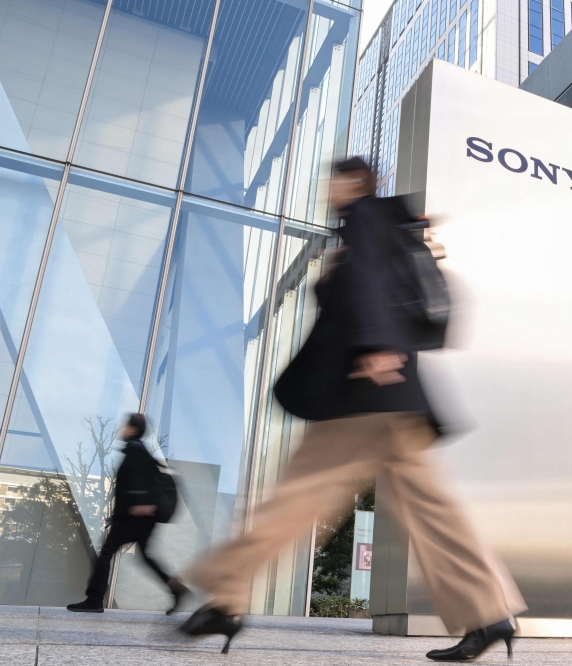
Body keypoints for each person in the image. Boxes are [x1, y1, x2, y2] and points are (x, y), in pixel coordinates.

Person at [179, 158, 525, 659]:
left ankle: (225, 596)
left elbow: (368, 283)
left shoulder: (364, 217)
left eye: (335, 180)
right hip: (394, 400)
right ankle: (490, 613)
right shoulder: (386, 224)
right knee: (433, 513)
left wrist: (372, 346)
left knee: (295, 499)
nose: (328, 188)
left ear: (353, 182)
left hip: (363, 395)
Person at [67, 413, 189, 614]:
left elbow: (140, 482)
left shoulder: (136, 450)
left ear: (133, 429)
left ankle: (95, 599)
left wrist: (141, 505)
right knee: (146, 557)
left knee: (106, 553)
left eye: (125, 425)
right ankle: (176, 589)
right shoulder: (138, 451)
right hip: (138, 517)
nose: (121, 428)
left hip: (134, 516)